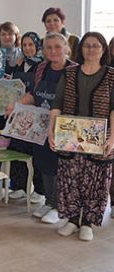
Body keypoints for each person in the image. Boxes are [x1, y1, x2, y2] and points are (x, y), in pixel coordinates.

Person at [49, 32, 114, 241]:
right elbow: (57, 104)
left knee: (95, 180)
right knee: (70, 177)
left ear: (103, 49)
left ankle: (87, 222)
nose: (91, 49)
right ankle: (72, 219)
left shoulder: (111, 76)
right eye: (87, 45)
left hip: (100, 139)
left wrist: (112, 138)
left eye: (96, 46)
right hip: (70, 136)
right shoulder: (69, 73)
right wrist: (51, 130)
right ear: (81, 49)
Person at [8, 32, 75, 225]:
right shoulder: (42, 68)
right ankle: (49, 201)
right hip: (41, 124)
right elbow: (33, 94)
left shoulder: (74, 70)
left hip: (64, 126)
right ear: (43, 50)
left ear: (66, 49)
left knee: (60, 166)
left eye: (57, 47)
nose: (53, 51)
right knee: (44, 163)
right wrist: (16, 106)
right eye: (48, 47)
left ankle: (59, 207)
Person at [7, 32, 44, 203]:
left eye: (31, 45)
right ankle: (19, 186)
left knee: (35, 154)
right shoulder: (19, 64)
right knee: (17, 149)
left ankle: (39, 190)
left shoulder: (43, 66)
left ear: (37, 46)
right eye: (24, 45)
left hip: (36, 113)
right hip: (18, 113)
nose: (27, 48)